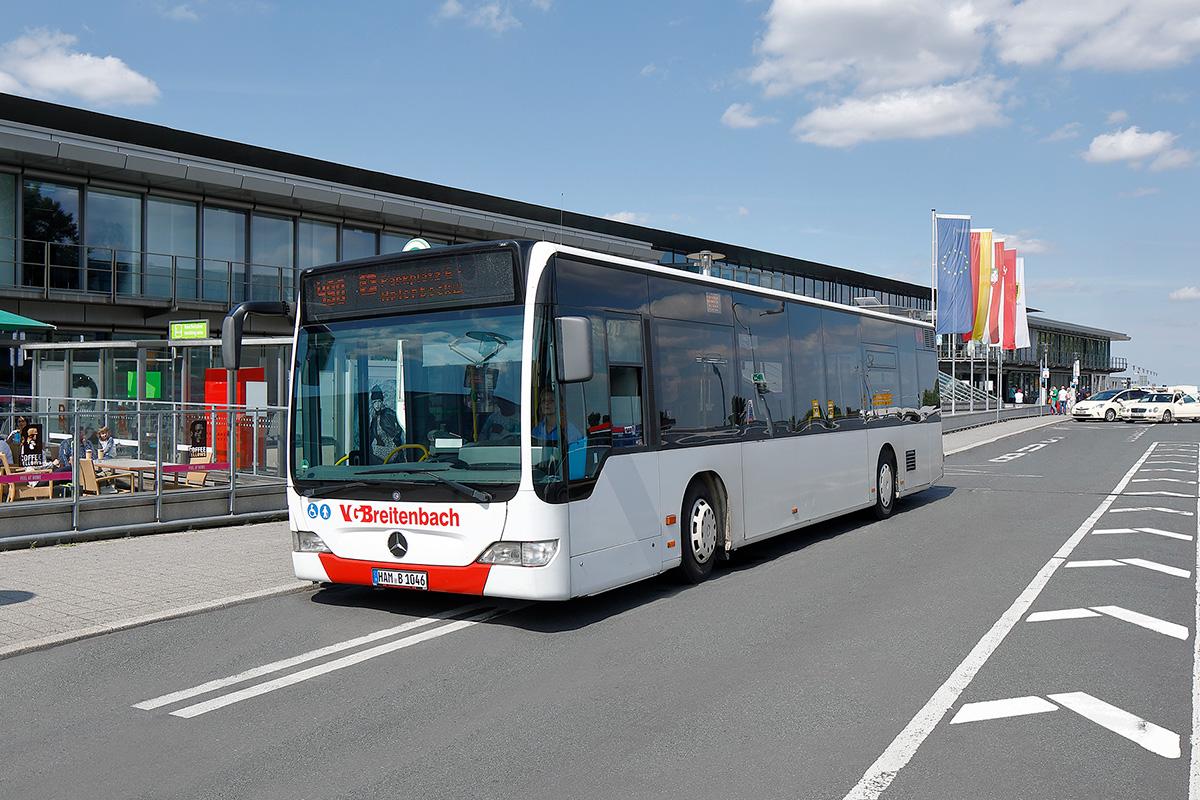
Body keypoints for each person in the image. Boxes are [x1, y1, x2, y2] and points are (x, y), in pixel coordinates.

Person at [367, 385, 404, 463]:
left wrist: (396, 438)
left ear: (382, 402)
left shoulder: (388, 413)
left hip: (393, 449)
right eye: (375, 402)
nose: (377, 405)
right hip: (382, 449)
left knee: (369, 453)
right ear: (372, 404)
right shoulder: (375, 418)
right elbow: (370, 436)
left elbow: (400, 422)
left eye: (379, 402)